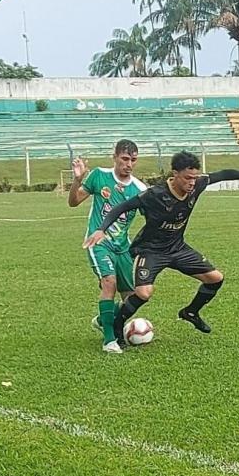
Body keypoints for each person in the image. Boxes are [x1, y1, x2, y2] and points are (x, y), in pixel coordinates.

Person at [85, 151, 239, 341]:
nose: (192, 182)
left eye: (194, 178)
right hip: (151, 250)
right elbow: (122, 207)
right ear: (174, 174)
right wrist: (102, 229)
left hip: (177, 248)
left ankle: (190, 312)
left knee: (215, 278)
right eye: (187, 178)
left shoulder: (196, 184)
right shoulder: (155, 194)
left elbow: (223, 174)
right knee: (143, 293)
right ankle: (116, 327)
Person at [68, 140, 146, 353]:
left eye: (133, 160)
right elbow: (73, 201)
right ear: (115, 157)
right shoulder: (99, 176)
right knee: (108, 282)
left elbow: (151, 220)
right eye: (125, 159)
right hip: (98, 242)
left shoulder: (140, 189)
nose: (129, 164)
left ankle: (105, 320)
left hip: (123, 247)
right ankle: (109, 341)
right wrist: (77, 179)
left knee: (132, 297)